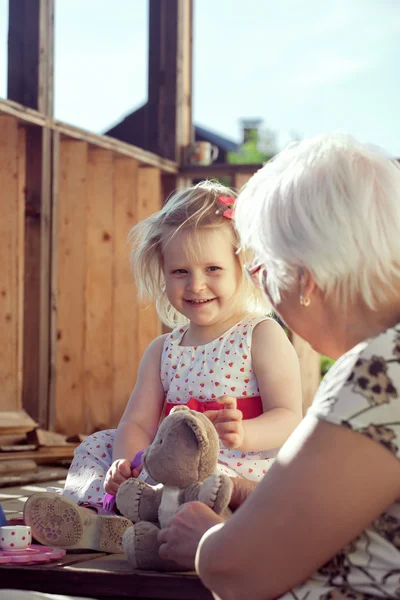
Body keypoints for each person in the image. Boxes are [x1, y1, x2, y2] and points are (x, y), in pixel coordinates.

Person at [158, 133, 400, 600]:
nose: (260, 285)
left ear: (305, 279)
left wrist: (204, 541)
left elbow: (238, 569)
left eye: (262, 268)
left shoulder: (377, 374)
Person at [24, 181, 302, 552]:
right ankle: (99, 519)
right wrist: (125, 464)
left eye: (213, 268)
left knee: (209, 483)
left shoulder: (260, 335)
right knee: (95, 446)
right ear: (162, 271)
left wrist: (245, 434)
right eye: (180, 272)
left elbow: (289, 417)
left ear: (243, 266)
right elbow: (137, 422)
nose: (196, 284)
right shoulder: (163, 349)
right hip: (162, 468)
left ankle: (185, 528)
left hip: (232, 465)